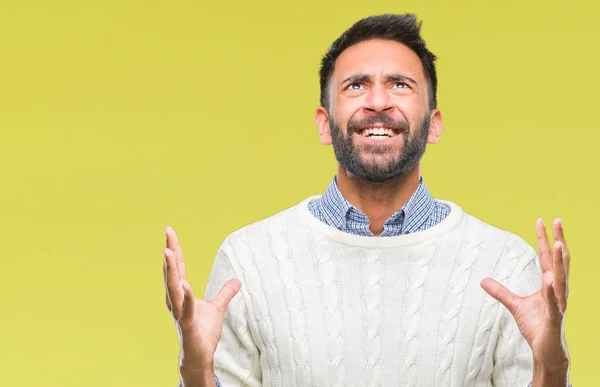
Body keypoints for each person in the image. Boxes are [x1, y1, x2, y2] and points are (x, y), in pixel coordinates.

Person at [163, 13, 571, 387]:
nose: (378, 103)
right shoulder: (248, 261)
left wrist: (552, 368)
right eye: (356, 85)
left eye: (400, 84)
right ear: (325, 124)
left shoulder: (504, 265)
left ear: (433, 124)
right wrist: (197, 372)